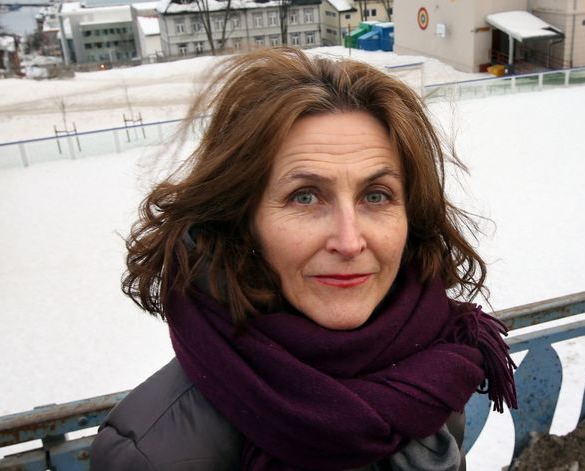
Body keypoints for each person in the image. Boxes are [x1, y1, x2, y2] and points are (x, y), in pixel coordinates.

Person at [91, 48, 517, 470]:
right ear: (241, 219)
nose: (349, 242)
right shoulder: (151, 455)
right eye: (305, 197)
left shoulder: (434, 369)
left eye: (375, 196)